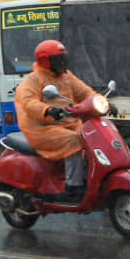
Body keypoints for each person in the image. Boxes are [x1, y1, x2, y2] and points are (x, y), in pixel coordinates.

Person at [15, 39, 95, 204]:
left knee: (93, 137)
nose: (62, 63)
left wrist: (101, 101)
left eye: (63, 58)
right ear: (45, 61)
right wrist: (47, 110)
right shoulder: (33, 79)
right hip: (42, 129)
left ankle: (89, 179)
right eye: (58, 59)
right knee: (74, 140)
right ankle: (73, 187)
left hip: (69, 124)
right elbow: (28, 102)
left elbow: (85, 92)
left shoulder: (67, 76)